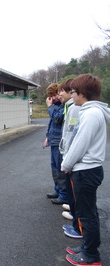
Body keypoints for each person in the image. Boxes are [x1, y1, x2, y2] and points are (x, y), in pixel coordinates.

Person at [61, 74, 110, 266]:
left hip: (85, 171)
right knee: (86, 212)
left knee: (87, 214)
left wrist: (66, 165)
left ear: (83, 93)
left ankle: (90, 255)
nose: (72, 95)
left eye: (73, 92)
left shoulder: (90, 114)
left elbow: (79, 145)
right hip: (89, 169)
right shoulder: (92, 112)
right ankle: (87, 247)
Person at [58, 78, 82, 239]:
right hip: (71, 160)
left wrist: (67, 160)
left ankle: (79, 229)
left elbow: (72, 135)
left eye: (65, 91)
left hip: (74, 163)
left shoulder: (75, 109)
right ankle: (76, 223)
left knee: (78, 198)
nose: (60, 94)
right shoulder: (71, 107)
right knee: (75, 197)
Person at [44, 83, 67, 204]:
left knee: (60, 169)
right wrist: (48, 136)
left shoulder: (64, 106)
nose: (53, 98)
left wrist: (50, 106)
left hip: (59, 142)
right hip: (54, 140)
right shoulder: (56, 105)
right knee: (54, 168)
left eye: (54, 95)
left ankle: (64, 195)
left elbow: (57, 119)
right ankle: (58, 190)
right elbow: (51, 123)